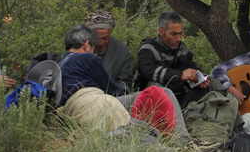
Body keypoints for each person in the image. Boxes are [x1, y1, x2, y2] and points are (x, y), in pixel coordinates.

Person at [60, 24, 191, 137]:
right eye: (93, 48)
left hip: (74, 108)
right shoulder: (87, 58)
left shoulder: (61, 64)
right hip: (96, 102)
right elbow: (112, 89)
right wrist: (125, 91)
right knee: (163, 93)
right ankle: (182, 138)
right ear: (87, 45)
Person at [137, 11, 216, 107]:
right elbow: (146, 70)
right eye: (173, 34)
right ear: (161, 32)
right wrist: (179, 75)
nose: (178, 38)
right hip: (150, 103)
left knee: (213, 83)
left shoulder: (181, 48)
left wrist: (201, 78)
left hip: (179, 98)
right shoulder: (148, 49)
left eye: (180, 34)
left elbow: (192, 66)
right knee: (156, 87)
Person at [85, 10, 134, 91]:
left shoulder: (121, 50)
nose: (101, 43)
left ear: (110, 33)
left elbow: (124, 82)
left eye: (105, 38)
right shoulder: (78, 47)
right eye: (97, 38)